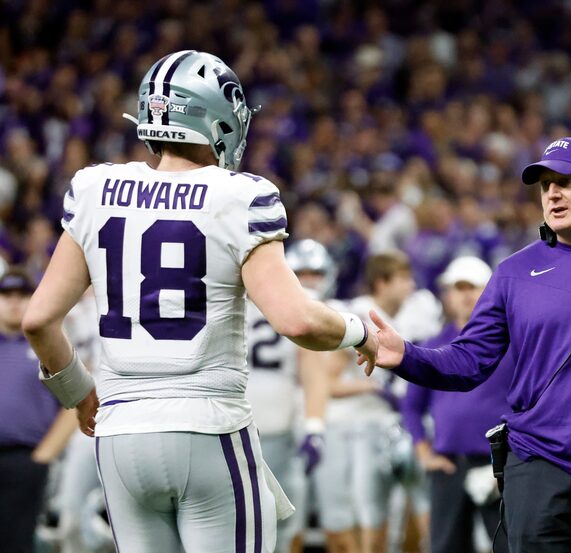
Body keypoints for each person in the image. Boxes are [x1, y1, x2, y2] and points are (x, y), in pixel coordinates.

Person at [21, 50, 377, 553]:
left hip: (120, 433)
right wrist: (362, 332)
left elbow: (38, 319)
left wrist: (80, 394)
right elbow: (296, 320)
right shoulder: (239, 196)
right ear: (218, 117)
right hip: (206, 425)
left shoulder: (95, 188)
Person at [364, 137, 571, 553]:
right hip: (536, 466)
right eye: (545, 185)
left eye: (565, 181)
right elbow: (469, 361)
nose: (552, 193)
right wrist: (405, 356)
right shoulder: (514, 272)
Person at [313, 251, 441, 553]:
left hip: (409, 422)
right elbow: (328, 384)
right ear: (382, 283)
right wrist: (372, 390)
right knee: (373, 512)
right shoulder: (356, 315)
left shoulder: (418, 311)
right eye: (403, 278)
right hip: (364, 427)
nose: (411, 285)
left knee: (424, 506)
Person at [401, 255, 511, 553]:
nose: (465, 295)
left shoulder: (511, 344)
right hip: (449, 464)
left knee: (509, 545)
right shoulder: (432, 345)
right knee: (445, 546)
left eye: (472, 287)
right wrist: (423, 452)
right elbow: (411, 406)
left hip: (498, 467)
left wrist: (509, 462)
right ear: (447, 294)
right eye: (458, 288)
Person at [245, 238, 337, 553]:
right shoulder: (306, 305)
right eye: (303, 272)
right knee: (283, 522)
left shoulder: (234, 297)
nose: (310, 281)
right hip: (279, 420)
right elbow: (314, 373)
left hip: (234, 417)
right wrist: (315, 427)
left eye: (316, 272)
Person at [0, 267, 76, 553]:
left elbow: (74, 403)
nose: (14, 301)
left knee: (17, 541)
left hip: (25, 458)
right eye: (6, 294)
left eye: (22, 295)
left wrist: (43, 457)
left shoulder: (48, 347)